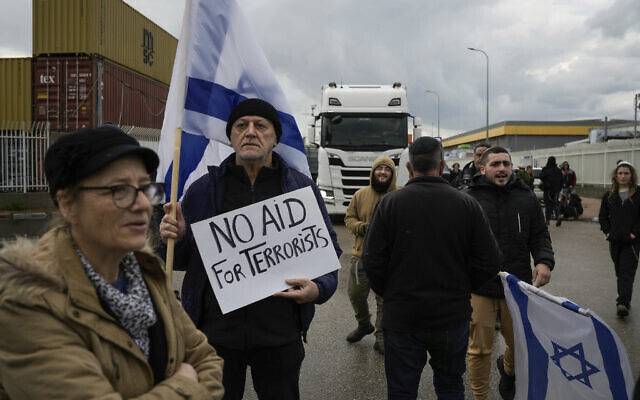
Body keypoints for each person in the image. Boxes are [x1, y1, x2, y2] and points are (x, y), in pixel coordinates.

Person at [0, 125, 224, 399]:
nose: (143, 204)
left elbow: (207, 360)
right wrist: (186, 384)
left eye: (145, 188)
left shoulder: (146, 271)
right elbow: (197, 374)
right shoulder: (28, 303)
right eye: (119, 189)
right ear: (67, 204)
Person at [159, 98, 341, 400]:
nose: (250, 132)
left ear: (276, 137)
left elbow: (328, 253)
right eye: (241, 126)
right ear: (231, 137)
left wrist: (319, 289)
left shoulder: (300, 189)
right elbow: (181, 261)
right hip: (215, 336)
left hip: (279, 335)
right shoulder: (203, 189)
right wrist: (177, 239)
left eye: (261, 126)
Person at [362, 137, 502, 400]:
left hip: (402, 316)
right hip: (451, 315)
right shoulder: (467, 204)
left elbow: (372, 260)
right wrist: (463, 287)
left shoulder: (390, 204)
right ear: (442, 167)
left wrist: (391, 292)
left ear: (409, 168)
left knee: (402, 391)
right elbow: (491, 260)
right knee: (450, 386)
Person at [466, 147, 555, 400]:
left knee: (520, 344)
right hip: (479, 286)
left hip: (516, 284)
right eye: (495, 164)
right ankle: (480, 396)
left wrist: (544, 261)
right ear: (482, 168)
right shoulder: (468, 199)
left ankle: (509, 372)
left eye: (506, 163)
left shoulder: (526, 199)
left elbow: (539, 236)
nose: (502, 168)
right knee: (479, 350)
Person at [344, 155, 397, 354]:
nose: (382, 172)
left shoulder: (400, 195)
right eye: (379, 169)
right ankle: (364, 324)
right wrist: (362, 227)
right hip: (361, 256)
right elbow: (349, 218)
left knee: (385, 299)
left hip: (389, 259)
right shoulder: (360, 195)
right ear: (373, 172)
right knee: (356, 294)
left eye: (387, 169)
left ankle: (381, 336)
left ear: (392, 174)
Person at [598, 161, 640, 317]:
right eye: (620, 173)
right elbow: (603, 217)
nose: (623, 176)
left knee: (626, 271)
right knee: (619, 271)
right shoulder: (609, 196)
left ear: (631, 175)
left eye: (626, 173)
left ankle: (622, 302)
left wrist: (635, 233)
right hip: (615, 241)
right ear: (616, 175)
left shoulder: (638, 194)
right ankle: (624, 298)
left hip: (632, 242)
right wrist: (608, 232)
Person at [540, 156, 563, 225]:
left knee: (548, 205)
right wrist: (559, 189)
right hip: (556, 191)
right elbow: (561, 180)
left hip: (548, 190)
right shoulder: (558, 170)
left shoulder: (546, 169)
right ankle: (558, 216)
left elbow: (541, 177)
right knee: (555, 204)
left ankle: (547, 220)